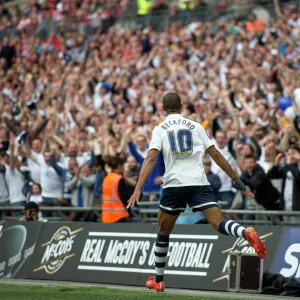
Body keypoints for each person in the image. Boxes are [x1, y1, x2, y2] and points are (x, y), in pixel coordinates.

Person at [127, 92, 267, 292]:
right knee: (219, 223)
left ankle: (158, 279)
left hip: (174, 184)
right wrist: (238, 181)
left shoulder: (160, 129)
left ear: (163, 108)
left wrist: (138, 188)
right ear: (181, 106)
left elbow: (150, 159)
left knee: (163, 231)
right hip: (199, 182)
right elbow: (215, 154)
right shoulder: (196, 126)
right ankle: (244, 232)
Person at [268, 145, 300, 223]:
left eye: (293, 153)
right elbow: (271, 175)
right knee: (286, 230)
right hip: (285, 206)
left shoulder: (295, 167)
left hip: (297, 208)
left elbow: (298, 177)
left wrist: (296, 161)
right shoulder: (287, 168)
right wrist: (276, 165)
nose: (290, 156)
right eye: (288, 154)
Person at [102, 157, 130, 223]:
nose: (123, 169)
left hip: (106, 216)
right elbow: (125, 197)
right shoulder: (119, 179)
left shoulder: (106, 178)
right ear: (119, 166)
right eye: (122, 166)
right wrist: (129, 211)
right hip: (119, 216)